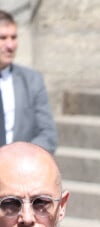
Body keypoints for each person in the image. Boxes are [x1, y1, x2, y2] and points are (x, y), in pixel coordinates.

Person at [0, 12, 57, 152]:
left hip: (19, 167)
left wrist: (17, 155)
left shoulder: (32, 80)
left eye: (14, 37)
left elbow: (48, 135)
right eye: (3, 38)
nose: (10, 45)